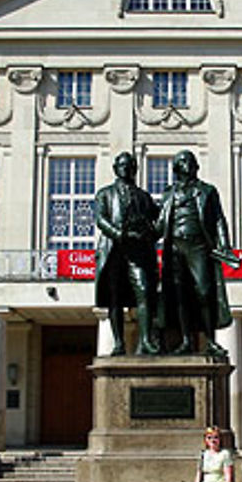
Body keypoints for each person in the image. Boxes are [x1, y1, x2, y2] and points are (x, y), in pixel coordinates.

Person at [156, 150, 239, 356]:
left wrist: (224, 245)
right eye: (183, 161)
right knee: (180, 295)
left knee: (204, 291)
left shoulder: (207, 191)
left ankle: (210, 340)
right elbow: (159, 223)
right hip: (174, 246)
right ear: (176, 167)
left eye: (191, 161)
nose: (188, 164)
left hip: (198, 245)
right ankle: (186, 340)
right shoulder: (168, 193)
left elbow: (219, 219)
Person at [94, 152, 161, 355]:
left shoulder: (144, 197)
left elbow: (157, 222)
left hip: (138, 252)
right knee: (115, 298)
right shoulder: (105, 193)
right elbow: (100, 218)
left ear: (135, 169)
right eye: (122, 165)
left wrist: (148, 233)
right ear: (116, 169)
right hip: (114, 250)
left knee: (144, 291)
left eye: (130, 165)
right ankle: (118, 343)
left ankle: (146, 341)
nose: (127, 169)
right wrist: (118, 233)